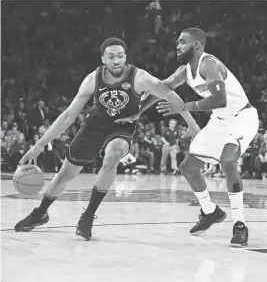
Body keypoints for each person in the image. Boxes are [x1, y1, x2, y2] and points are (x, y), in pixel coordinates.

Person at [14, 37, 197, 241]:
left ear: (125, 57)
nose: (116, 60)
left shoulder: (140, 77)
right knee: (66, 173)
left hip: (123, 126)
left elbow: (171, 96)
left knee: (113, 156)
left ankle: (89, 214)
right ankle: (41, 213)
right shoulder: (93, 79)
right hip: (94, 126)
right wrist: (38, 146)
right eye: (111, 57)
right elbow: (68, 116)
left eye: (120, 56)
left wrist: (192, 124)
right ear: (103, 59)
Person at [135, 28, 259, 246]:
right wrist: (138, 111)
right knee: (188, 167)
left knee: (228, 161)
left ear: (198, 46)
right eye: (177, 42)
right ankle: (210, 211)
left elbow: (220, 99)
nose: (178, 46)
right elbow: (161, 88)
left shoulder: (209, 64)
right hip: (220, 120)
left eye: (183, 42)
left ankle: (239, 224)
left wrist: (183, 106)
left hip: (242, 117)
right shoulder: (185, 71)